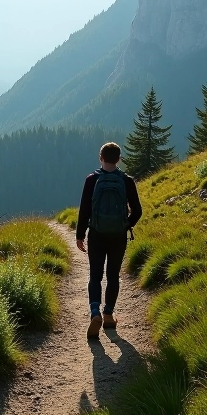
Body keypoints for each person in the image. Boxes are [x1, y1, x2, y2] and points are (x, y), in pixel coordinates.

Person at [76, 142, 142, 339]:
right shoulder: (127, 181)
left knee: (95, 276)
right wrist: (125, 225)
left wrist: (80, 235)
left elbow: (84, 210)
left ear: (100, 158)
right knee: (113, 276)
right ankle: (108, 314)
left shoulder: (91, 180)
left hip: (96, 234)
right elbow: (138, 211)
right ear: (119, 159)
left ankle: (95, 312)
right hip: (118, 236)